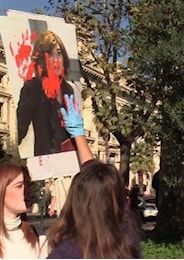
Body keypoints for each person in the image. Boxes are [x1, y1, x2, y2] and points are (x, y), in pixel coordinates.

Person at [45, 94, 142, 258]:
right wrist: (79, 135)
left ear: (75, 200)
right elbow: (99, 181)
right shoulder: (127, 238)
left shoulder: (64, 254)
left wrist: (78, 134)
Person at [17, 30, 75, 157]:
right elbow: (19, 129)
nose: (56, 60)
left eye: (59, 54)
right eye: (50, 55)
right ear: (42, 60)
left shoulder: (68, 89)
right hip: (45, 161)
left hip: (69, 159)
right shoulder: (32, 87)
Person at [0, 160, 48, 258]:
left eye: (27, 185)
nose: (27, 191)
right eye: (19, 186)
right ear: (2, 191)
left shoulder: (39, 236)